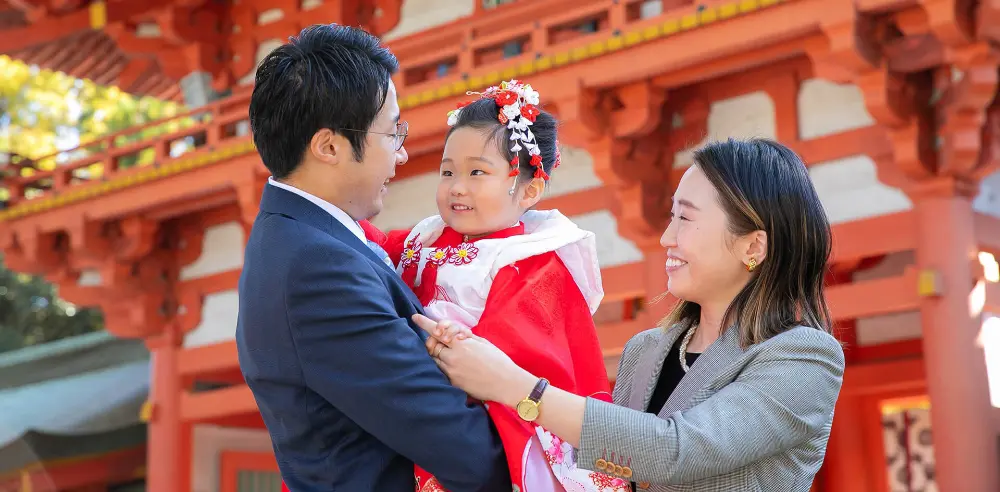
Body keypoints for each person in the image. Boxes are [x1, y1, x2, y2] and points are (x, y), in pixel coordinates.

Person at [417, 138, 846, 491]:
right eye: (671, 216)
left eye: (686, 220)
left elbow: (675, 452)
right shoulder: (647, 350)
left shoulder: (803, 356)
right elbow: (612, 475)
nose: (666, 237)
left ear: (753, 246)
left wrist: (516, 386)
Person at [235, 24, 510, 491]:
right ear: (328, 146)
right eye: (392, 132)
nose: (401, 154)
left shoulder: (306, 241)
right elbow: (462, 448)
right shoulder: (316, 269)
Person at [362, 79, 627, 492]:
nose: (457, 186)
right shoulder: (426, 238)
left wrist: (454, 344)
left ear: (530, 189)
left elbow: (512, 354)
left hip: (482, 420)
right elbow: (368, 249)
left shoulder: (536, 263)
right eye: (447, 171)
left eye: (477, 172)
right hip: (421, 399)